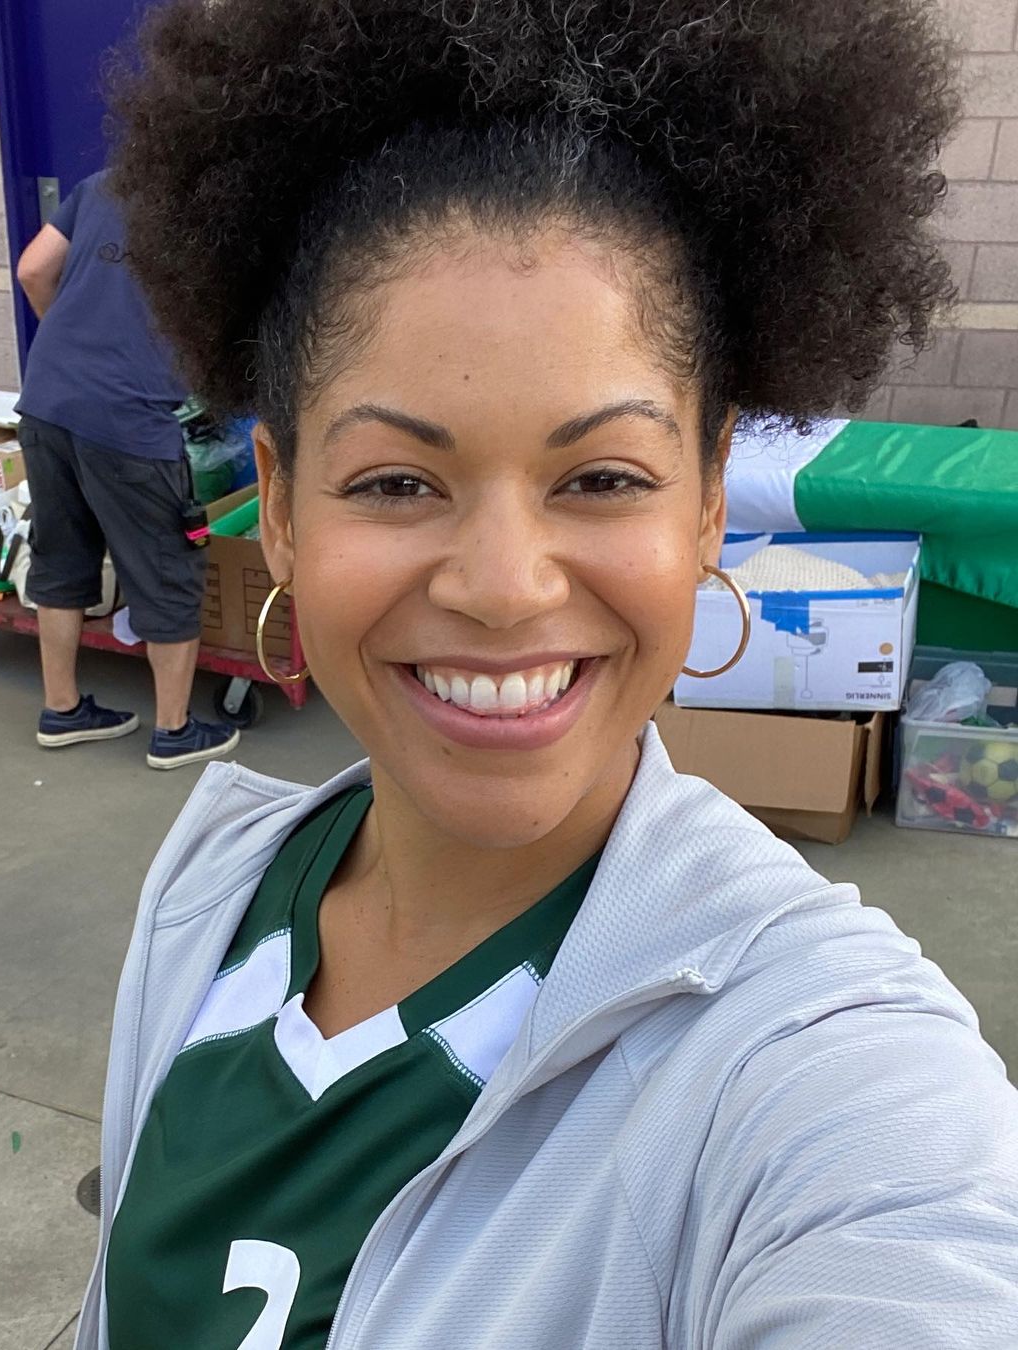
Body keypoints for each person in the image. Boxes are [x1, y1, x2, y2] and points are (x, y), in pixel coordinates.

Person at [76, 1, 1018, 1346]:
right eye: (396, 481)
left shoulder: (817, 1058)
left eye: (604, 478)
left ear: (709, 500)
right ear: (278, 506)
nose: (506, 585)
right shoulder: (206, 895)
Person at [14, 171, 240, 769]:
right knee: (168, 566)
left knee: (60, 555)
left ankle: (61, 710)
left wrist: (74, 351)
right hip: (128, 418)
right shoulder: (217, 203)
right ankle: (175, 730)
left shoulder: (103, 184)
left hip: (47, 401)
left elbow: (33, 269)